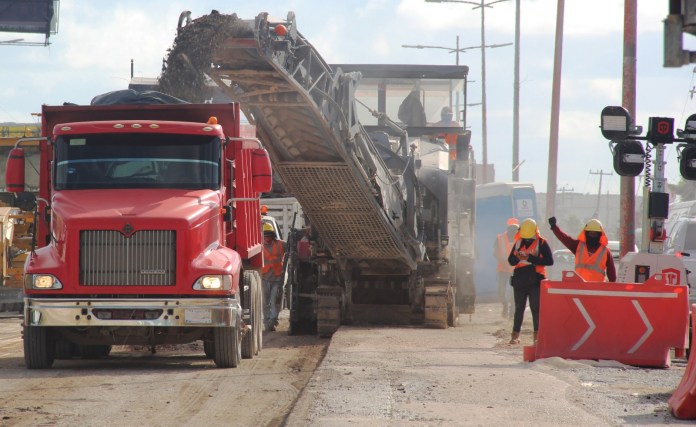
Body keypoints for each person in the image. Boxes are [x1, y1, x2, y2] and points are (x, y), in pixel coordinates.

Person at [508, 218, 553, 344]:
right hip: (520, 280)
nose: (527, 240)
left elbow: (550, 261)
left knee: (535, 308)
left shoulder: (542, 243)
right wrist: (517, 257)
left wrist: (531, 258)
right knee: (519, 308)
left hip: (535, 280)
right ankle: (515, 335)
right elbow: (510, 261)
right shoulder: (518, 242)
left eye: (529, 238)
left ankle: (537, 336)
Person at [548, 217, 616, 282]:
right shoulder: (578, 246)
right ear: (586, 233)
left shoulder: (606, 252)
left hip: (597, 290)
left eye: (595, 234)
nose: (592, 236)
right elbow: (565, 238)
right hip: (579, 288)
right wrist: (554, 227)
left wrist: (611, 290)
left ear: (600, 234)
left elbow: (612, 274)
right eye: (590, 233)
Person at [262, 222, 286, 332]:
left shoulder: (281, 244)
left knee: (275, 300)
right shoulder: (259, 246)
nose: (267, 238)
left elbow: (292, 248)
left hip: (277, 278)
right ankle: (267, 322)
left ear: (273, 235)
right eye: (265, 235)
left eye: (269, 235)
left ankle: (273, 320)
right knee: (265, 302)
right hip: (264, 278)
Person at [493, 218, 519, 318]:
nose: (513, 230)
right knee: (501, 291)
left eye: (515, 229)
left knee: (515, 292)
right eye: (512, 228)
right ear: (508, 228)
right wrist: (503, 261)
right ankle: (504, 304)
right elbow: (495, 253)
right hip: (502, 269)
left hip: (515, 270)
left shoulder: (520, 239)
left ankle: (512, 312)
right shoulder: (500, 238)